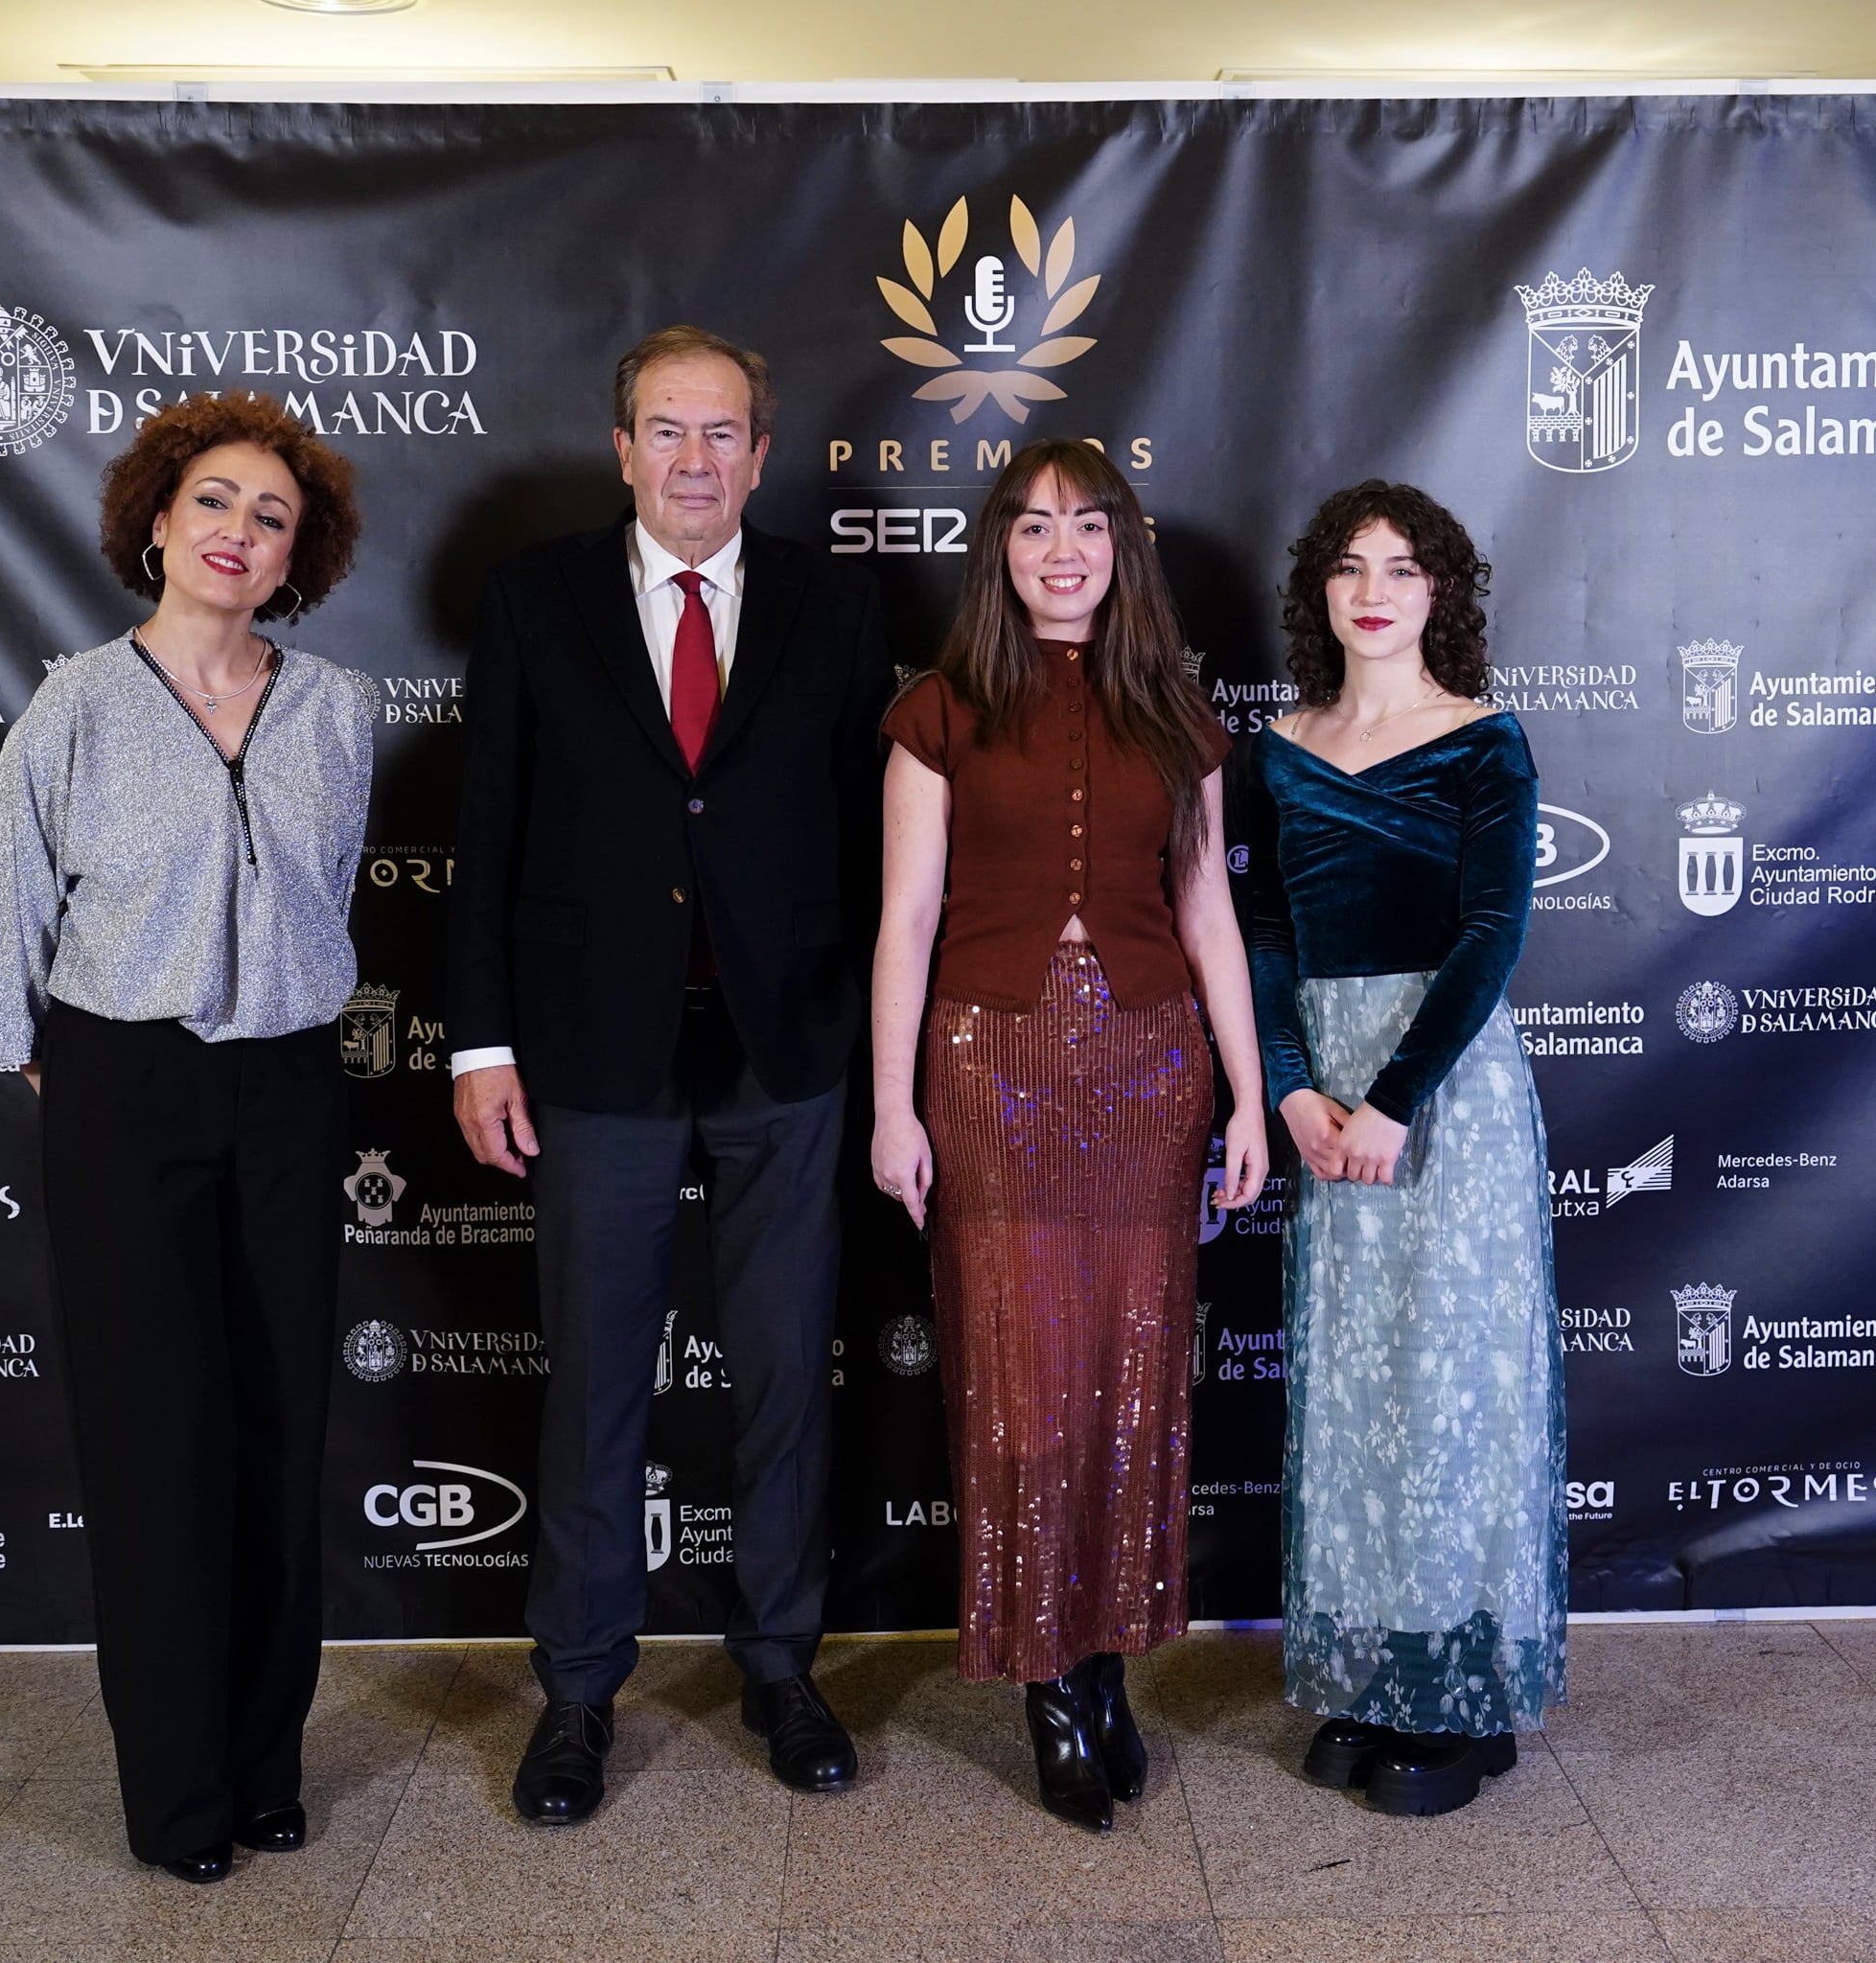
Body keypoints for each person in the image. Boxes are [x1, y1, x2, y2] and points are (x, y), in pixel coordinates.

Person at [447, 325, 892, 1826]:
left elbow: (867, 842)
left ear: (763, 456)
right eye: (666, 430)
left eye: (723, 434)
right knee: (594, 1391)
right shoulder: (534, 602)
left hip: (787, 1053)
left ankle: (781, 1668)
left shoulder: (837, 607)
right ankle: (576, 1693)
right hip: (592, 1057)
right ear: (623, 449)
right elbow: (487, 839)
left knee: (784, 1381)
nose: (695, 459)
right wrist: (482, 1042)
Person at [0, 393, 377, 1882]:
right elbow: (2, 869)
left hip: (285, 1086)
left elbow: (329, 883)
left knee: (278, 1432)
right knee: (154, 1443)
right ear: (156, 520)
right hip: (120, 1087)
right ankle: (180, 1798)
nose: (238, 533)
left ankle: (267, 1768)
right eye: (214, 503)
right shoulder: (77, 700)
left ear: (297, 558)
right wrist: (33, 1047)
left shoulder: (334, 709)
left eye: (271, 518)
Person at [869, 438, 1269, 1834]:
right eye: (1034, 527)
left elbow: (1211, 914)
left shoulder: (1176, 708)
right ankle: (1043, 1679)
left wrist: (1245, 1093)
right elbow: (906, 922)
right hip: (992, 1066)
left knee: (1133, 1379)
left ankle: (1105, 1667)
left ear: (1123, 550)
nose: (1061, 552)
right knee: (1024, 1386)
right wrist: (891, 1105)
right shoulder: (941, 709)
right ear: (1000, 548)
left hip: (1154, 1073)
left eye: (1087, 528)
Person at [1232, 480, 1563, 1817]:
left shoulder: (1486, 742)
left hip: (1445, 1097)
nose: (1375, 588)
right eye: (1349, 565)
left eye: (1405, 567)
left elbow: (1491, 934)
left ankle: (1468, 1701)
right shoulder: (1278, 747)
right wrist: (1297, 1088)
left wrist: (1393, 1098)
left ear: (1444, 594)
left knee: (1453, 1390)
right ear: (1318, 590)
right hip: (1328, 1095)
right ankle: (1377, 1679)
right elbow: (1261, 937)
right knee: (1360, 1393)